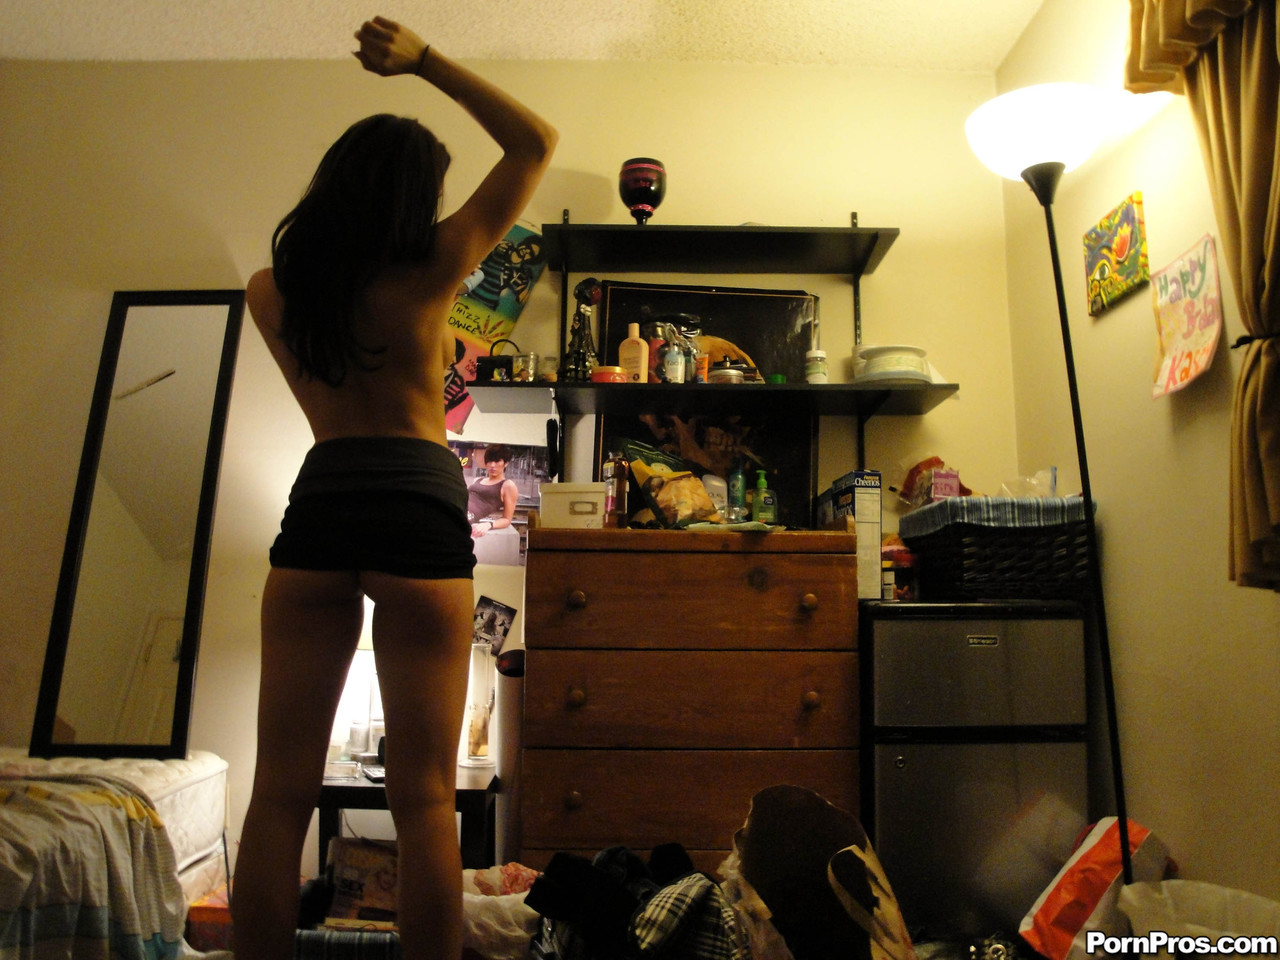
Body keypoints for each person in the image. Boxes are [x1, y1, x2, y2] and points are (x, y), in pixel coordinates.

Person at [232, 16, 556, 960]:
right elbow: (534, 143)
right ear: (416, 199)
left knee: (279, 793)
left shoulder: (270, 290)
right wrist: (425, 64)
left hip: (322, 503)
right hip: (417, 505)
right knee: (423, 800)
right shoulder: (434, 266)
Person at [466, 444, 518, 537]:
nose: (492, 465)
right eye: (489, 461)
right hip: (457, 506)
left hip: (466, 516)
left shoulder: (507, 485)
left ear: (506, 463)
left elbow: (507, 519)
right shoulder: (477, 480)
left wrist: (488, 525)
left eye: (497, 461)